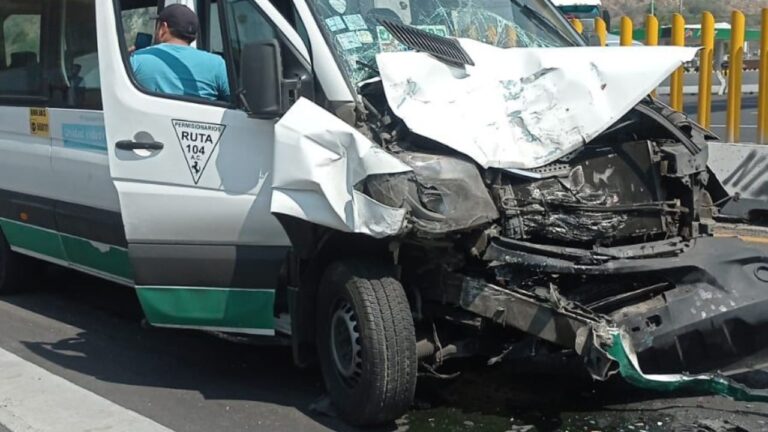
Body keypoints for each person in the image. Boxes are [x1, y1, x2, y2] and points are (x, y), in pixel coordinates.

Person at [131, 4, 230, 102]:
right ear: (194, 35)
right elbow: (236, 103)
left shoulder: (137, 59)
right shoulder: (217, 64)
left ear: (163, 28)